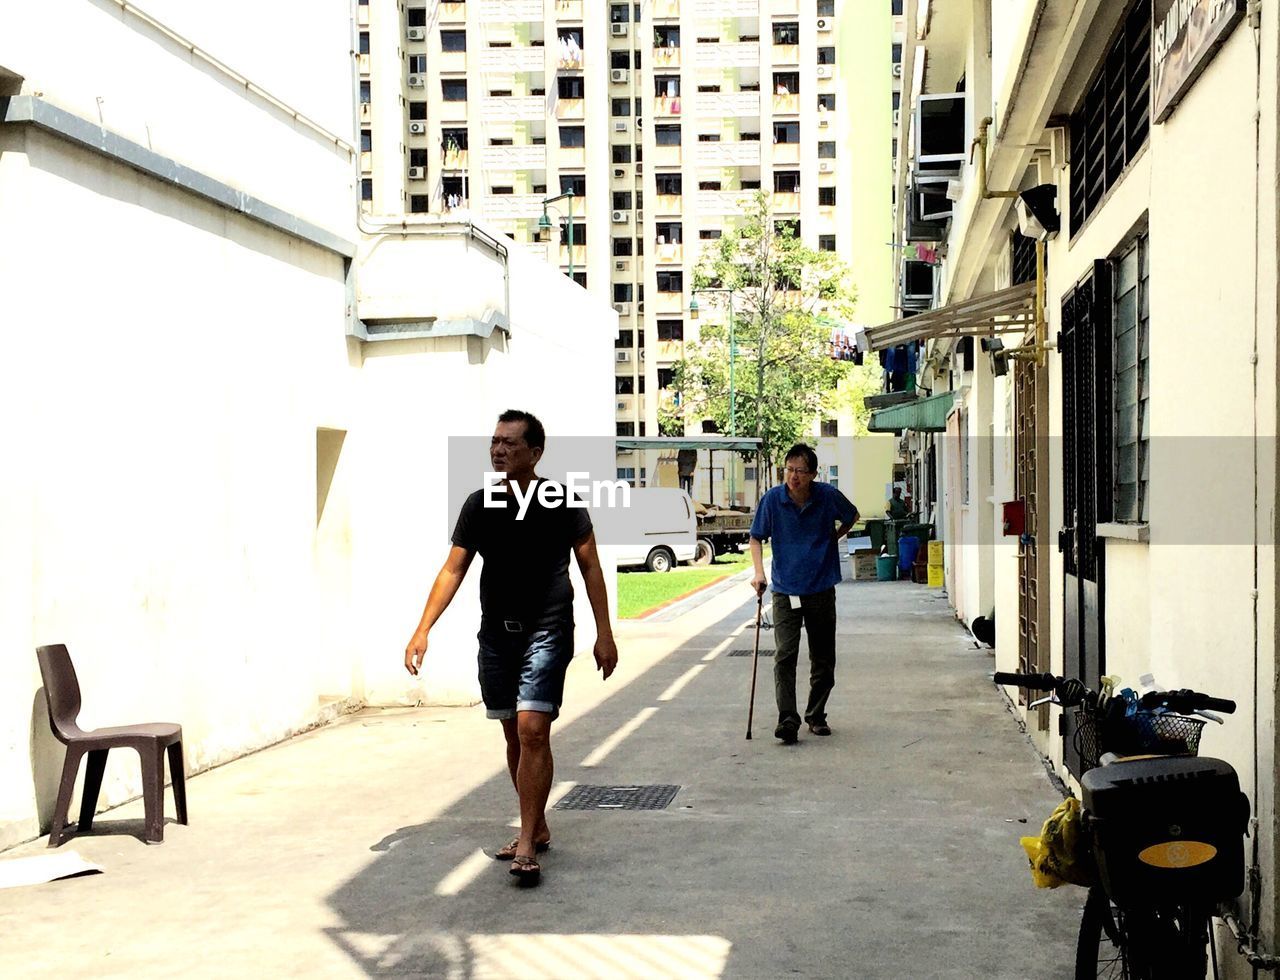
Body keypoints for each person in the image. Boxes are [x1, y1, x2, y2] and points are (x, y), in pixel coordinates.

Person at [404, 410, 618, 883]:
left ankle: (525, 844)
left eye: (510, 443)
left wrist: (605, 633)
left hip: (549, 628)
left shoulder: (563, 502)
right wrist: (423, 629)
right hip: (497, 634)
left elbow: (590, 568)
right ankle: (537, 825)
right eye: (495, 442)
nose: (499, 450)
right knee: (512, 735)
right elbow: (453, 569)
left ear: (536, 453)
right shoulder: (480, 505)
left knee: (532, 730)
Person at [749, 444, 858, 743]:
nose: (793, 476)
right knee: (785, 655)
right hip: (786, 591)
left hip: (821, 587)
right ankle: (787, 719)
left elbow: (852, 515)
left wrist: (833, 537)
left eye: (800, 471)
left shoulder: (826, 496)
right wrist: (759, 572)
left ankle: (816, 714)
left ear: (812, 474)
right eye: (789, 469)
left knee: (823, 657)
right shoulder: (773, 500)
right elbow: (756, 538)